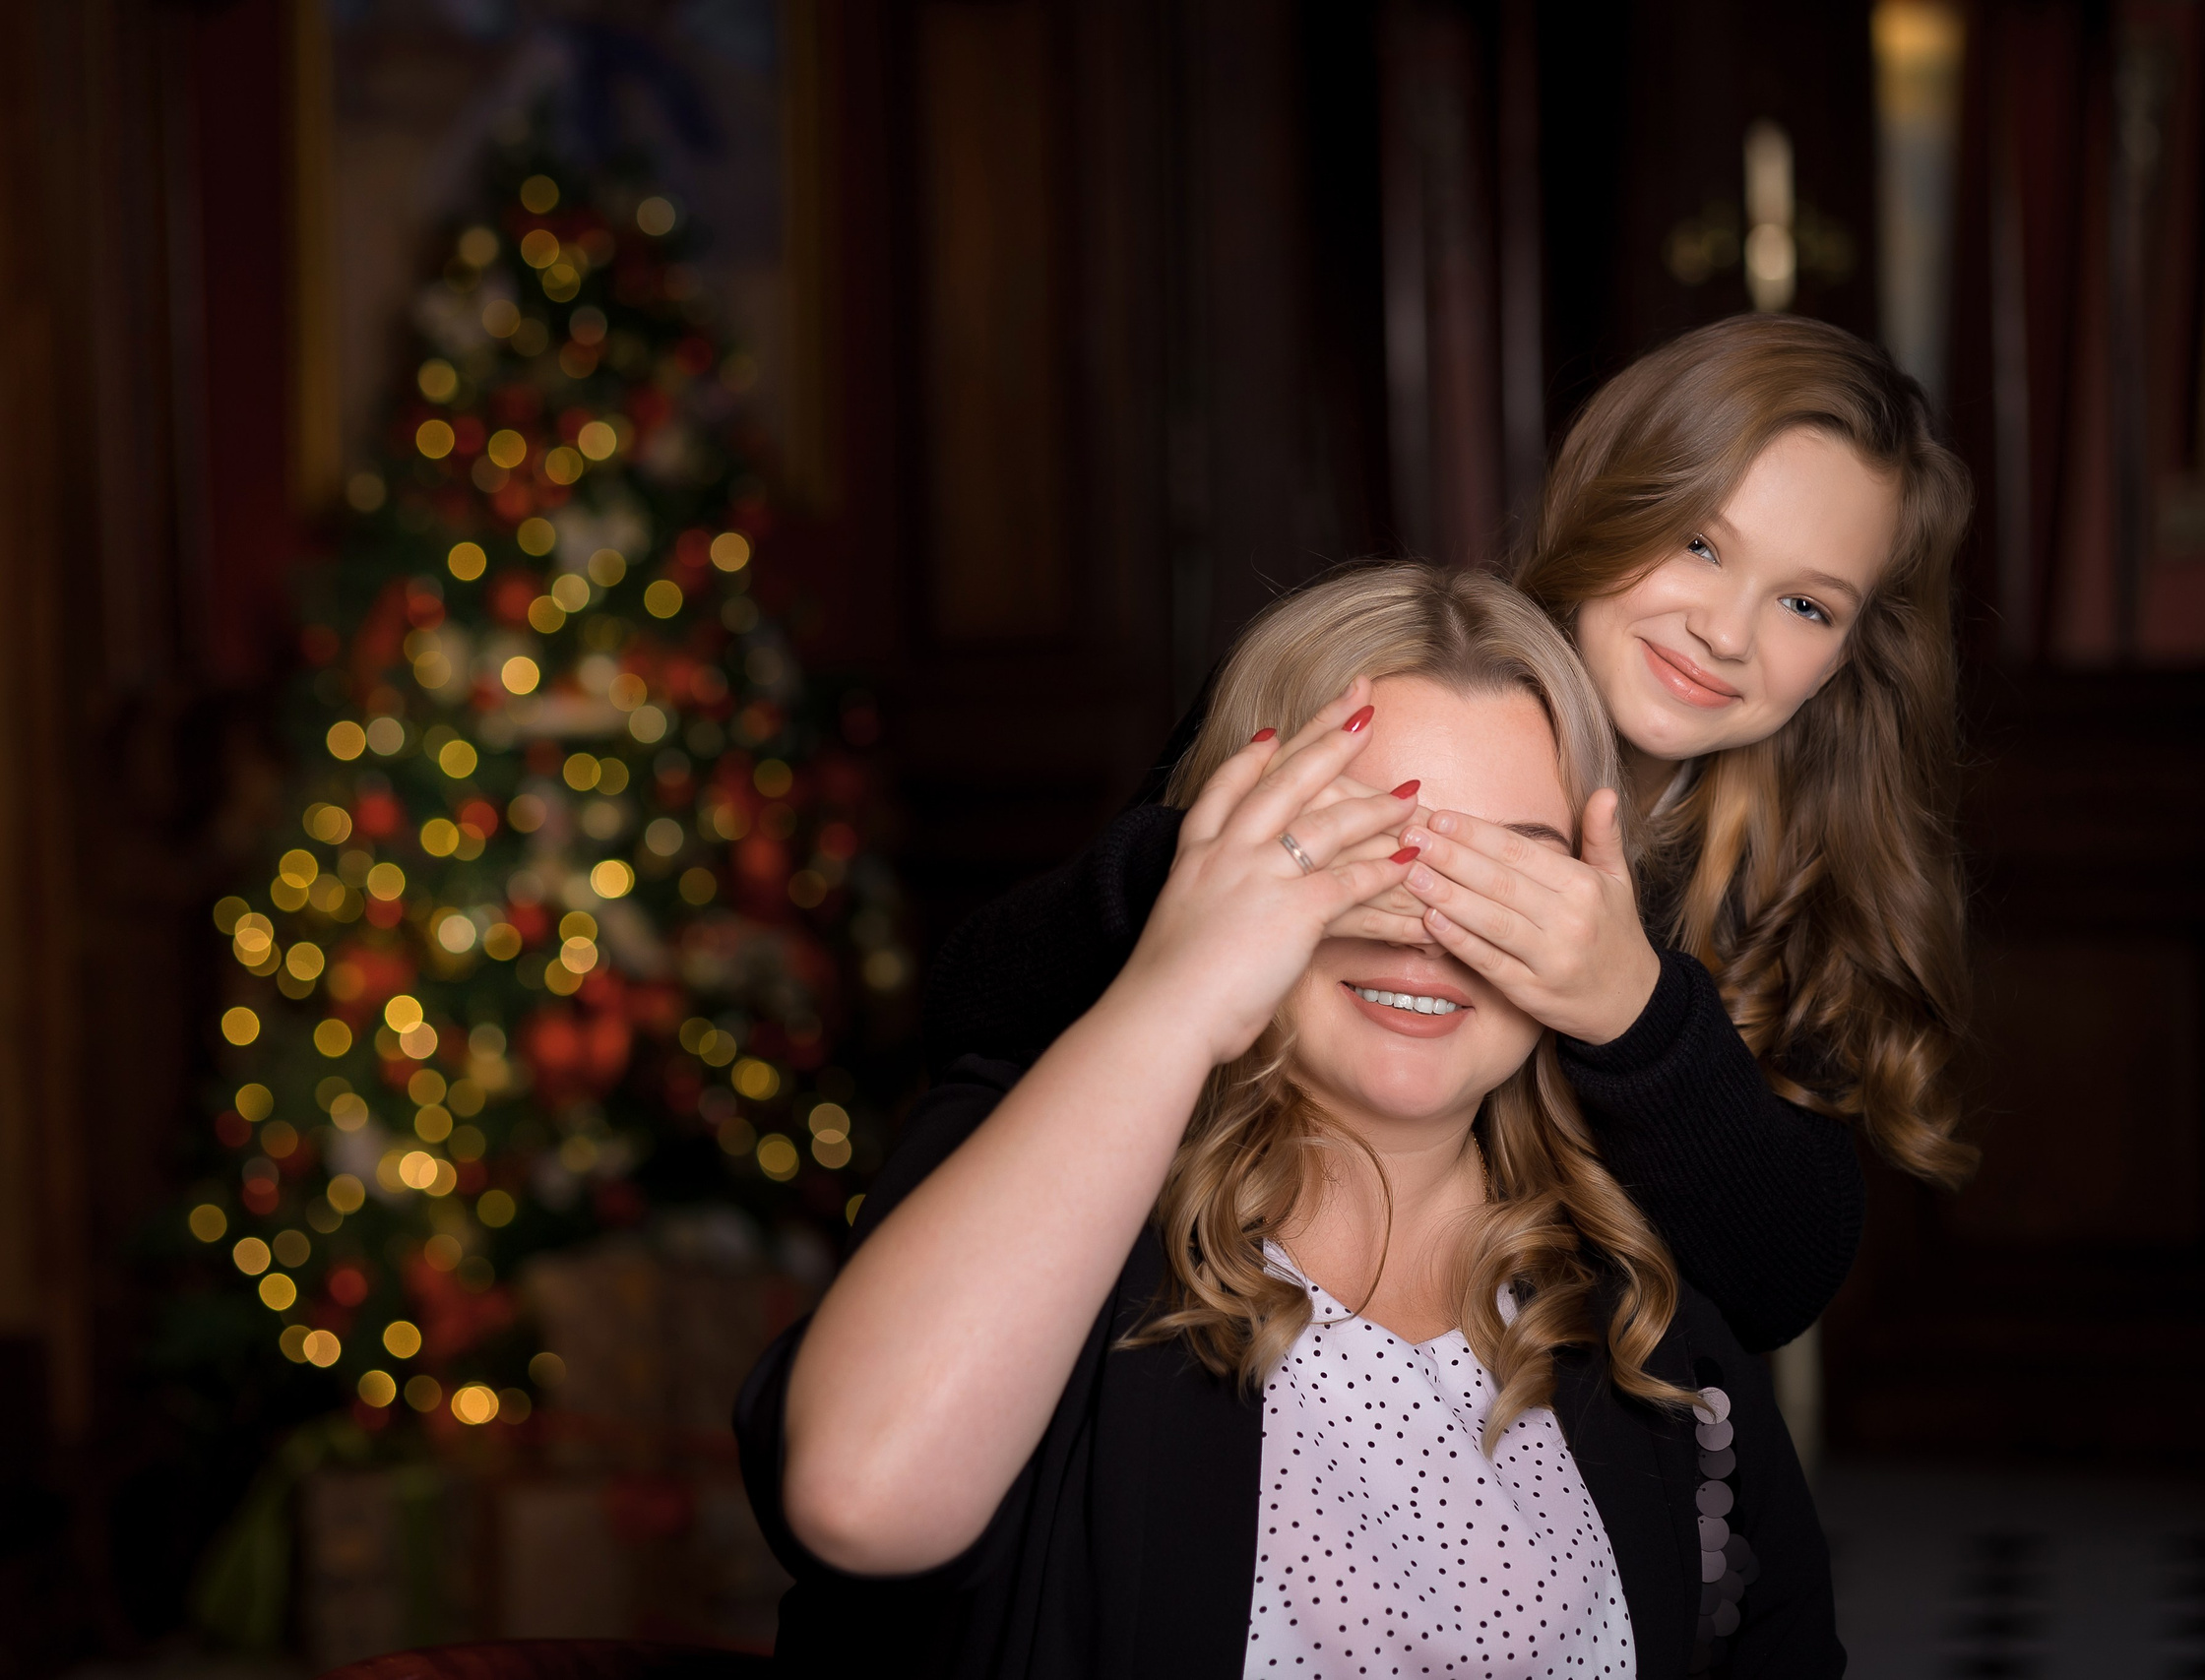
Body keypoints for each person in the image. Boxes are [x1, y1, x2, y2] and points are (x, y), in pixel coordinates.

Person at [738, 566, 1838, 1678]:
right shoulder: (1048, 1166)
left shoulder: (1643, 1286)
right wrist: (1179, 986)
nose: (1425, 928)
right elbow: (858, 1500)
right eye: (1358, 846)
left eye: (1505, 872)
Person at [918, 314, 1977, 1357]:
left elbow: (1783, 1281)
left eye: (1805, 606)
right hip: (1221, 1325)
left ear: (1849, 653)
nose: (1726, 631)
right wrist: (1203, 873)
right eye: (1698, 544)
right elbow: (975, 1013)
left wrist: (1636, 1014)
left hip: (1552, 1396)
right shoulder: (1364, 682)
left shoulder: (1800, 878)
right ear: (1610, 502)